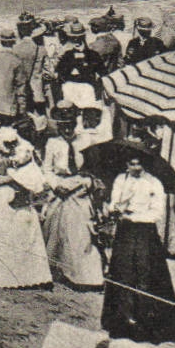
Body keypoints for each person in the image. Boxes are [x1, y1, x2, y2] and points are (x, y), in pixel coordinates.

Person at [100, 154, 175, 342]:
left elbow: (157, 213)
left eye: (139, 164)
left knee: (144, 272)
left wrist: (134, 215)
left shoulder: (154, 183)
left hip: (144, 232)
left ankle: (145, 323)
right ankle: (121, 320)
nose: (135, 167)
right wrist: (116, 208)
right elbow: (114, 201)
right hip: (124, 232)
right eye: (132, 163)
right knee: (123, 272)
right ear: (126, 163)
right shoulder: (121, 180)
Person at [0, 127, 51, 288]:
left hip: (21, 194)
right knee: (2, 235)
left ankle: (28, 277)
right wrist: (13, 176)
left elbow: (30, 163)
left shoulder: (20, 147)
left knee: (23, 232)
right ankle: (1, 277)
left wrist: (23, 173)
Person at [41, 106, 104, 288]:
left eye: (70, 125)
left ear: (76, 123)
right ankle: (55, 269)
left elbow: (93, 168)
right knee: (54, 230)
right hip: (60, 188)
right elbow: (47, 170)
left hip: (79, 188)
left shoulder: (86, 140)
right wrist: (55, 185)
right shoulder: (53, 143)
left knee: (81, 232)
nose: (67, 129)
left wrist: (87, 183)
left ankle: (84, 276)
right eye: (63, 126)